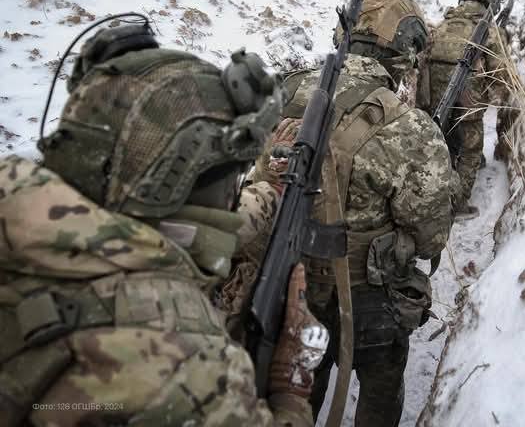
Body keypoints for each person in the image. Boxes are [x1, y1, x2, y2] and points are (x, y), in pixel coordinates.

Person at [0, 23, 327, 427]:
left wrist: (270, 187)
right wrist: (289, 390)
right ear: (171, 185)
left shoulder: (33, 217)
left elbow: (197, 224)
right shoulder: (187, 370)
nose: (231, 197)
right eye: (229, 179)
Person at [253, 0, 454, 427]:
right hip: (370, 301)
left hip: (287, 287)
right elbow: (430, 236)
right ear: (405, 51)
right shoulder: (409, 126)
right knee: (380, 393)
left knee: (300, 385)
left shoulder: (282, 94)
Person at [419, 0, 514, 217]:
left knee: (443, 143)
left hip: (432, 99)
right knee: (471, 148)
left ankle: (430, 193)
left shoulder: (442, 25)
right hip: (467, 102)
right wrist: (499, 99)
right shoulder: (488, 31)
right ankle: (457, 204)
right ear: (488, 5)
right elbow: (499, 74)